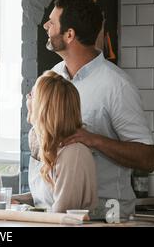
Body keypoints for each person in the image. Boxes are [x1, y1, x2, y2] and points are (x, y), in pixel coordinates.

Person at [42, 0, 154, 218]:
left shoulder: (117, 86)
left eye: (52, 22)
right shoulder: (52, 77)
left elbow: (148, 158)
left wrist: (92, 139)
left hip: (105, 217)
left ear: (70, 34)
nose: (46, 26)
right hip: (54, 213)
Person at [13, 71, 97, 213]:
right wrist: (8, 200)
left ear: (43, 107)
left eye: (31, 95)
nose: (27, 98)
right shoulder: (47, 146)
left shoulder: (73, 154)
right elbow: (44, 198)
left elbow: (61, 216)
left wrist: (23, 208)